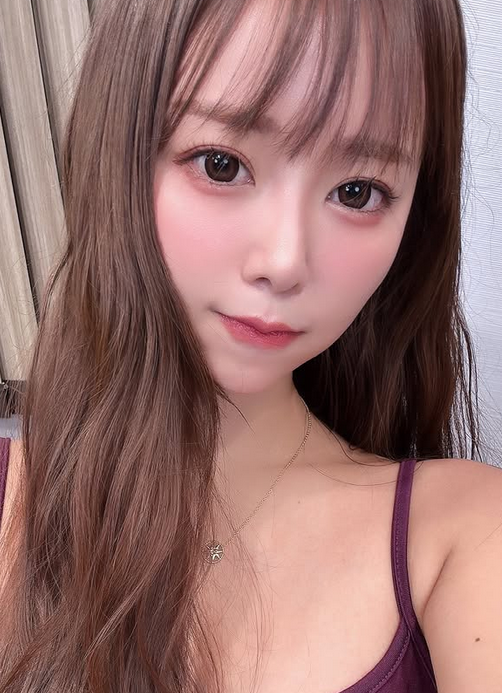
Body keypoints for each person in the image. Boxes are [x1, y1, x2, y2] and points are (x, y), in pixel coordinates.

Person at [0, 0, 501, 691]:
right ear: (121, 153)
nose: (285, 261)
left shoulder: (463, 536)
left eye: (358, 191)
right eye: (222, 164)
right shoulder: (13, 495)